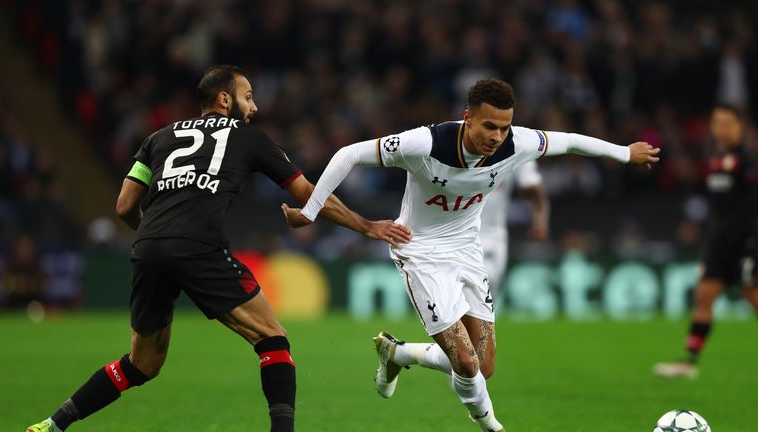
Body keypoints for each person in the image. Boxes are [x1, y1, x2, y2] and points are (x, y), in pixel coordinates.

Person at [26, 65, 411, 432]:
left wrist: (155, 237)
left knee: (141, 363)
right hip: (197, 245)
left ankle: (54, 423)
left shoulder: (158, 138)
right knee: (272, 338)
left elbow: (125, 205)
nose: (255, 106)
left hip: (147, 247)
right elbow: (309, 193)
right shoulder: (250, 139)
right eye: (249, 96)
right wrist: (367, 225)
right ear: (225, 100)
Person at [282, 78, 659, 431]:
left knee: (483, 365)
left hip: (468, 252)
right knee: (465, 362)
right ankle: (491, 425)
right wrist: (311, 211)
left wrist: (625, 153)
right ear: (467, 118)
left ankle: (397, 354)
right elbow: (348, 154)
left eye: (504, 128)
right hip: (421, 253)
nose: (497, 137)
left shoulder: (518, 143)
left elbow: (571, 141)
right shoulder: (426, 144)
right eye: (489, 126)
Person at [654, 104, 758, 379]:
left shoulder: (749, 160)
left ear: (741, 126)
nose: (721, 128)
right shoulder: (715, 160)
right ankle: (689, 362)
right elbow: (718, 209)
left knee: (753, 297)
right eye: (717, 122)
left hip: (747, 243)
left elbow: (750, 207)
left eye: (728, 123)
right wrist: (709, 243)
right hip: (720, 245)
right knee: (704, 297)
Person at [480, 160, 549, 301]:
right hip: (455, 232)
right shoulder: (454, 145)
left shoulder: (517, 148)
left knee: (490, 292)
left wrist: (540, 221)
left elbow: (533, 190)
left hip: (493, 234)